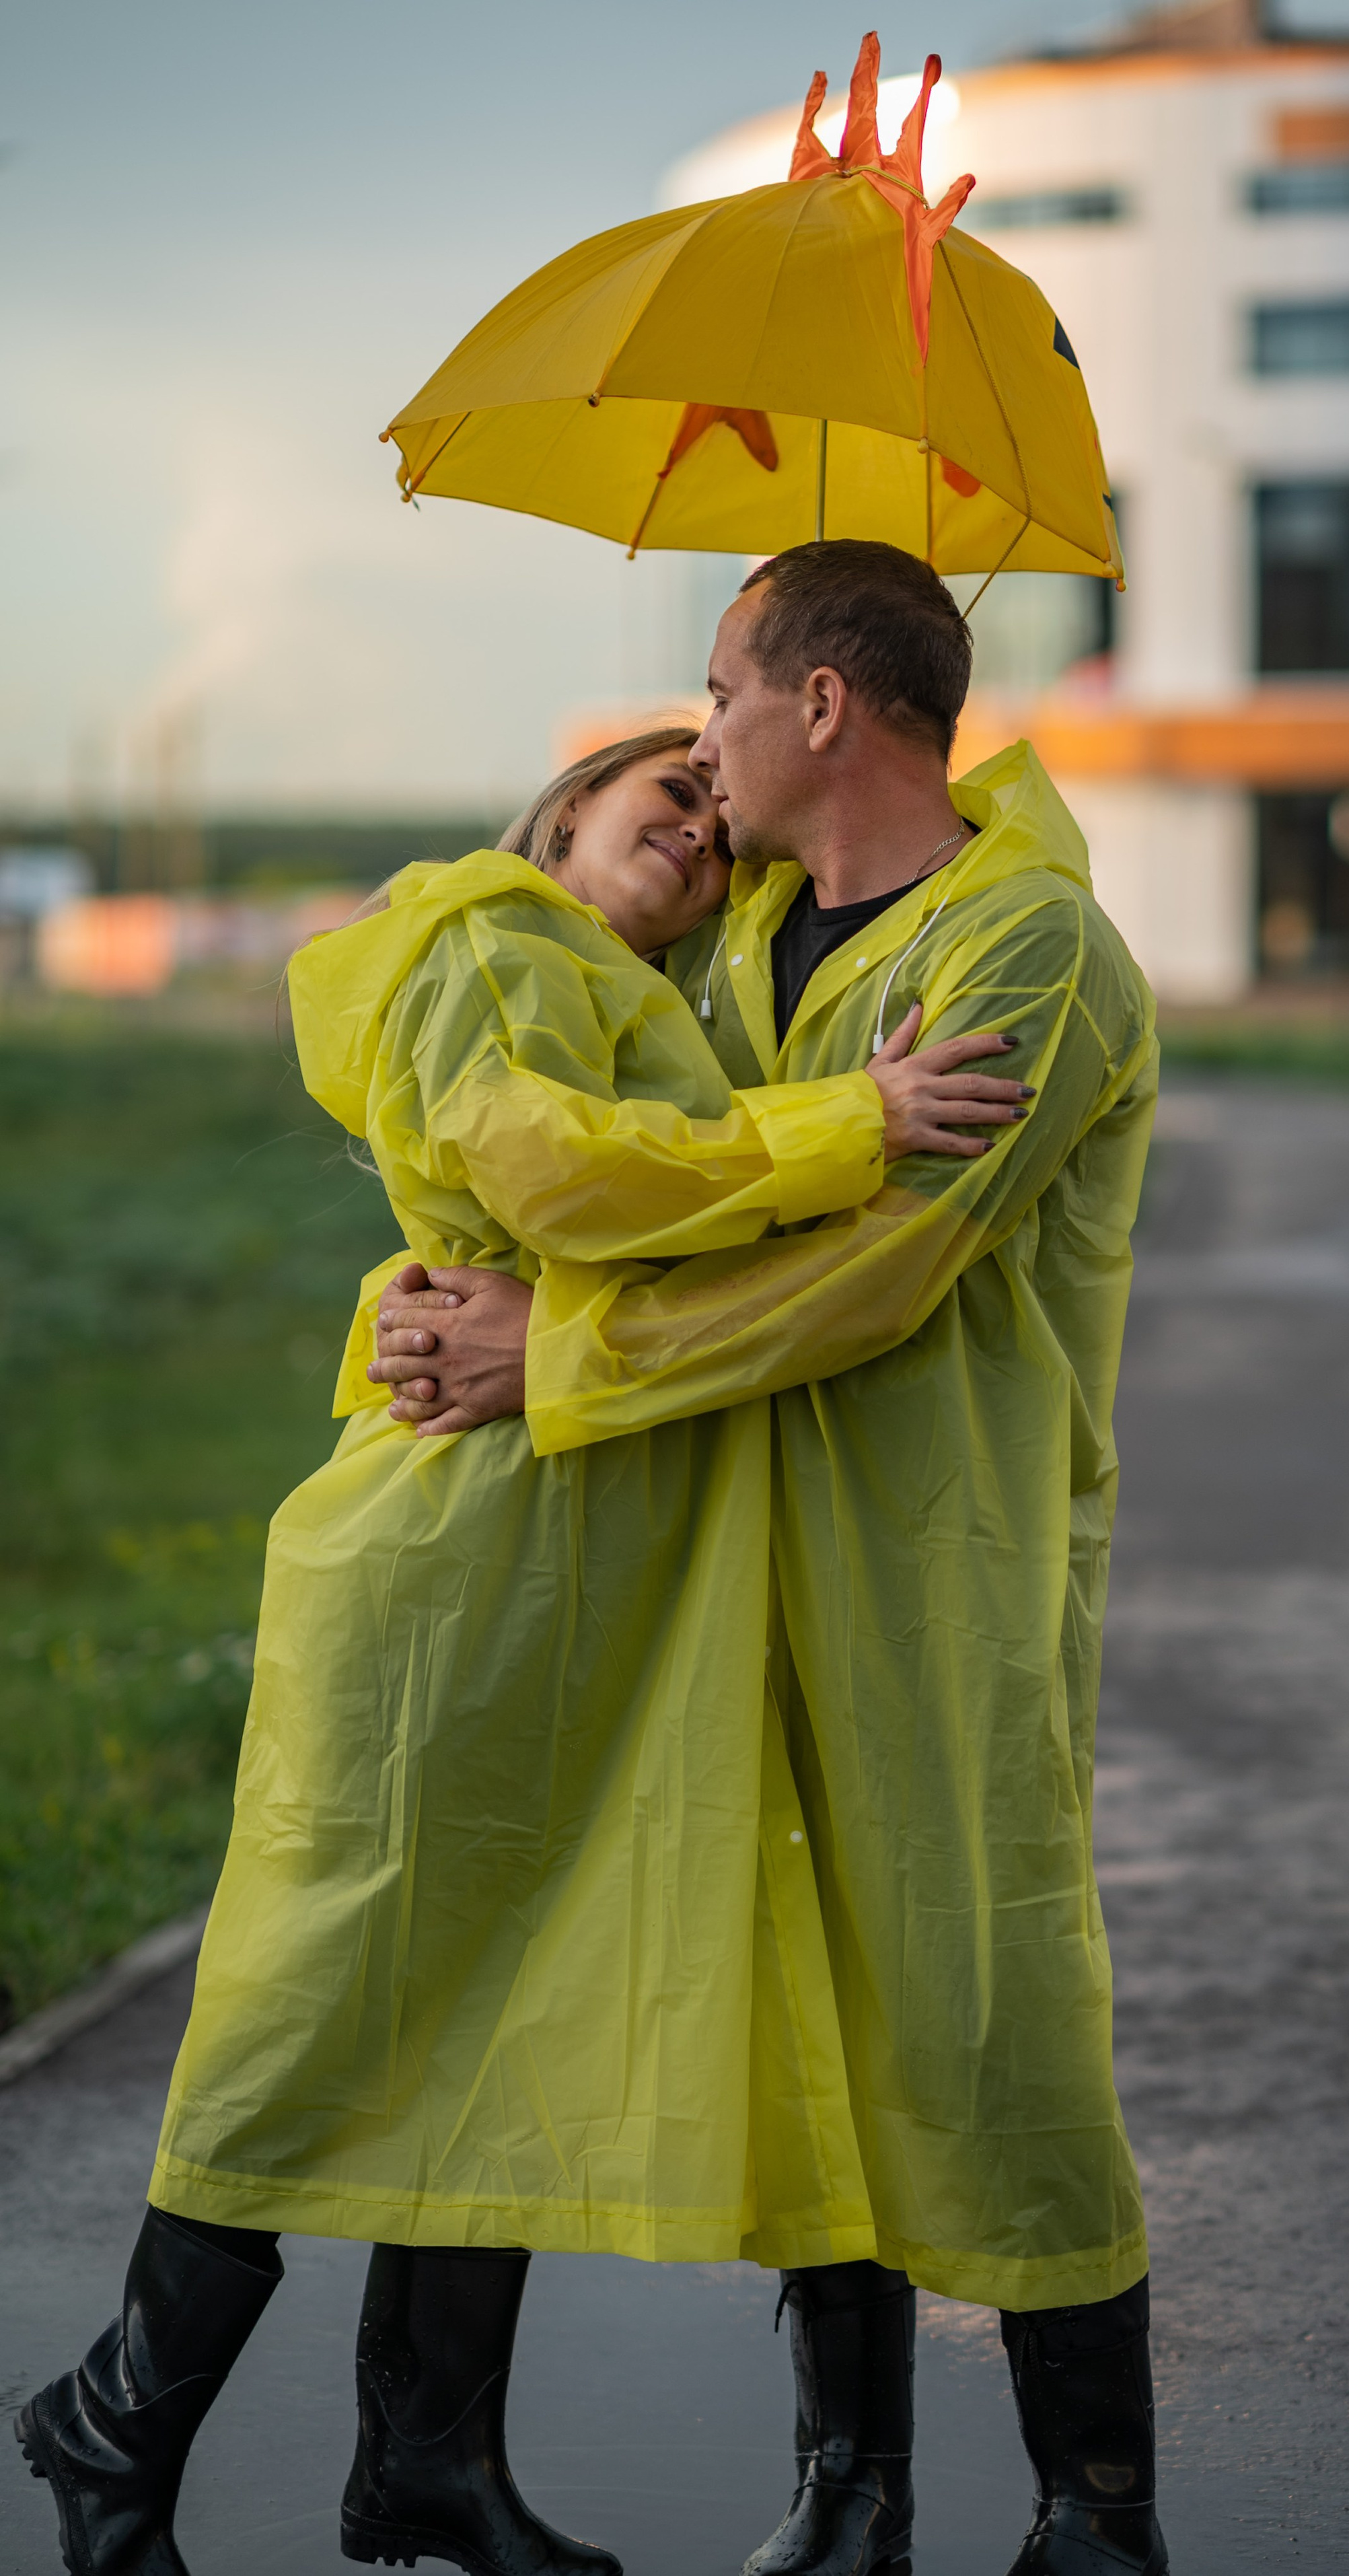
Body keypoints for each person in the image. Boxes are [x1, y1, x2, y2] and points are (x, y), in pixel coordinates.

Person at [14, 725, 1027, 2576]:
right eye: (668, 794)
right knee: (321, 1992)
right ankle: (113, 2422)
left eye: (720, 827)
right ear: (568, 808)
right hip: (459, 1561)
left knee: (487, 2001)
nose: (701, 831)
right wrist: (850, 1122)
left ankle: (428, 2457)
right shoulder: (494, 937)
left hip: (549, 1568)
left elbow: (537, 1220)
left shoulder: (601, 983)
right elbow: (552, 1175)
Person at [369, 544, 1169, 2576]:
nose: (703, 733)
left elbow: (880, 1273)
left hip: (943, 1571)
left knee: (990, 2005)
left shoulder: (1034, 953)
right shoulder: (738, 949)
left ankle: (1098, 2509)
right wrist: (437, 1298)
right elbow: (622, 1182)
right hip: (732, 1563)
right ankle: (850, 2488)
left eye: (723, 688)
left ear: (823, 703)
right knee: (813, 2027)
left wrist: (550, 1359)